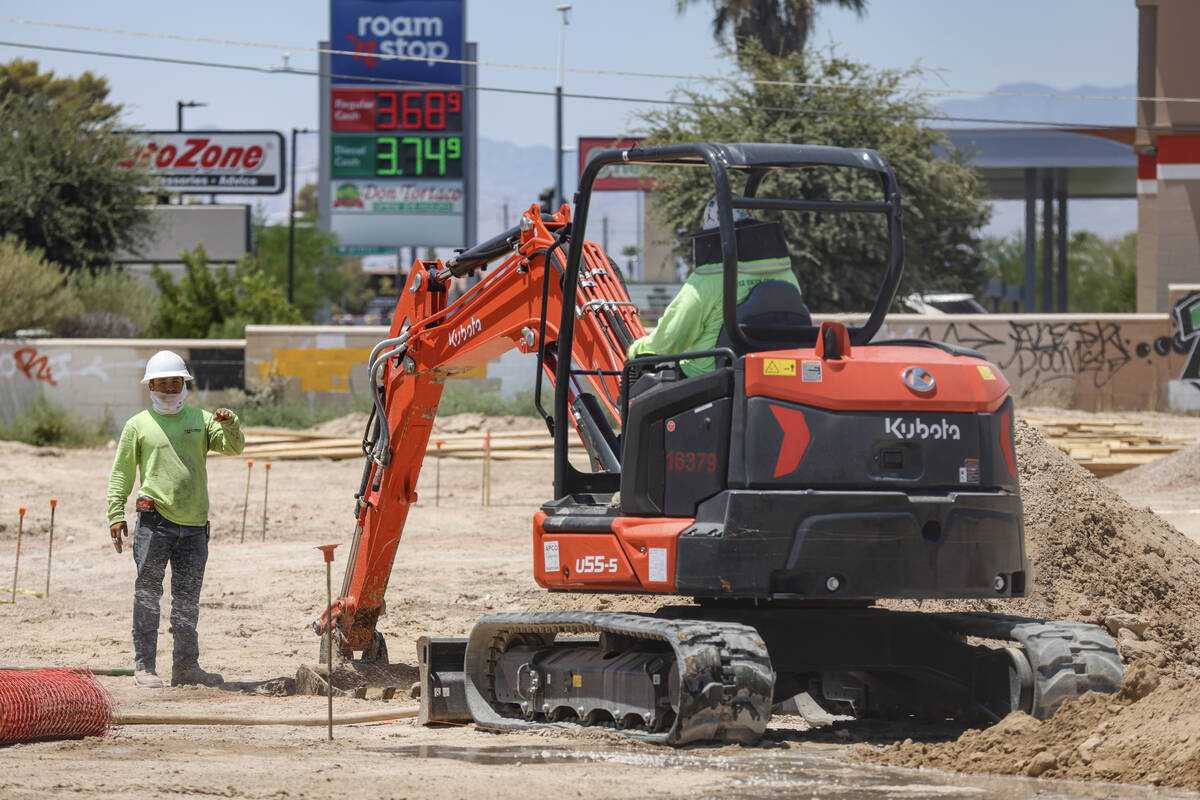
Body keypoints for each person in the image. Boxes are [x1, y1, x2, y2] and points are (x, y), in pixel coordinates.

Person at [107, 350, 245, 688]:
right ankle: (145, 668)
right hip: (154, 523)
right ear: (151, 385)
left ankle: (186, 669)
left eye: (176, 381)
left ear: (184, 384)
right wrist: (115, 512)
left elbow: (233, 448)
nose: (170, 387)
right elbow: (122, 473)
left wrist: (230, 423)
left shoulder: (202, 418)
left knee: (186, 600)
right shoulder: (137, 426)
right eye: (163, 381)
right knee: (148, 594)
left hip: (195, 525)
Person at [627, 198, 804, 376]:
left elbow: (670, 338)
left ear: (717, 239)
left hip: (710, 380)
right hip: (775, 374)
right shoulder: (787, 275)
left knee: (642, 388)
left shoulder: (706, 281)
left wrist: (636, 350)